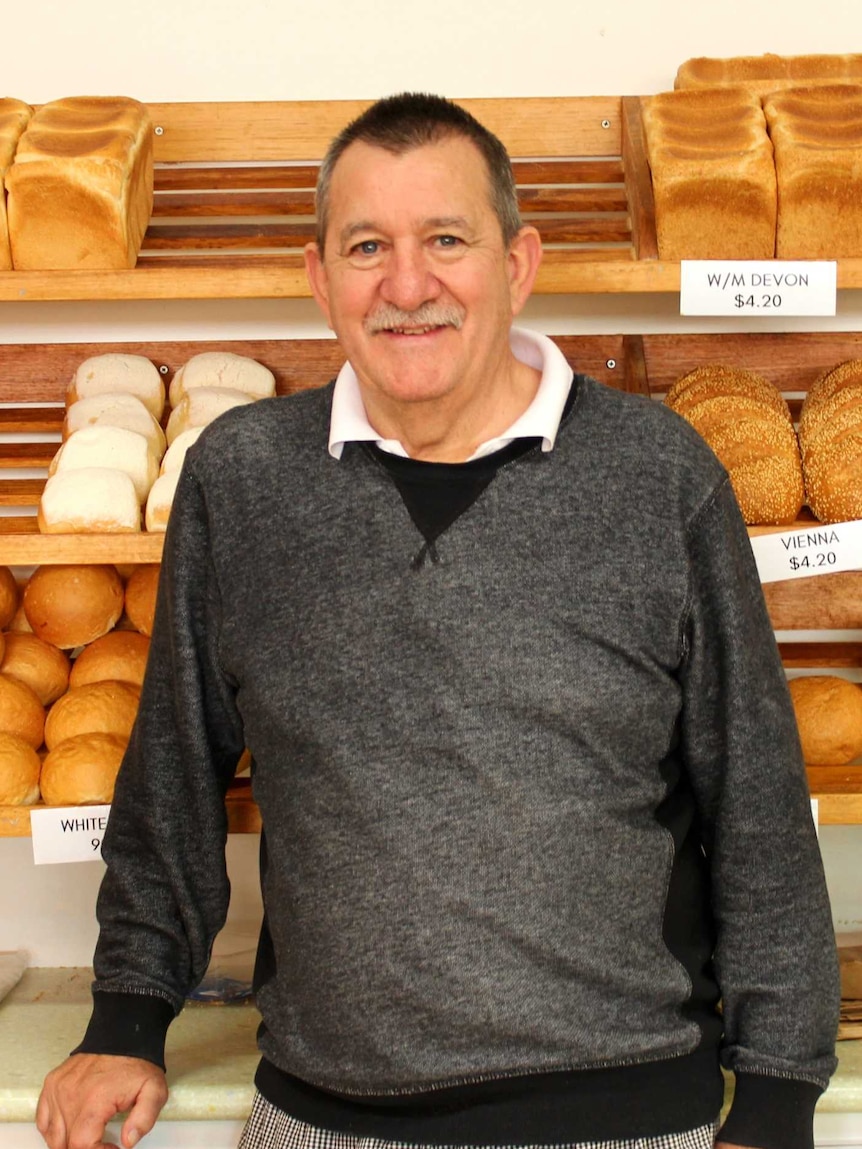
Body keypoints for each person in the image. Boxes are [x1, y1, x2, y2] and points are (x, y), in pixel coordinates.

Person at [37, 92, 838, 1149]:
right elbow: (173, 777)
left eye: (446, 240)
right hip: (321, 1116)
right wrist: (127, 1020)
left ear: (516, 264)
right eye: (367, 246)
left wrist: (778, 1093)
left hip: (630, 1114)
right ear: (320, 278)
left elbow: (758, 801)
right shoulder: (242, 482)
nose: (406, 285)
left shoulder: (657, 477)